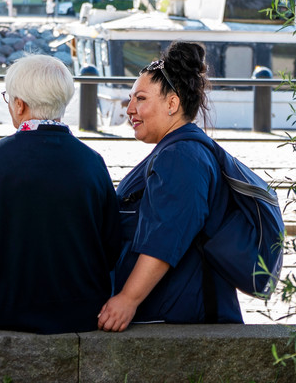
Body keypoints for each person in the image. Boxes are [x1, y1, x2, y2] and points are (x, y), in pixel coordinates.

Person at [0, 55, 119, 334]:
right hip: (83, 313)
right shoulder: (93, 161)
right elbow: (111, 244)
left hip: (8, 312)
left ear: (19, 104)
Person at [98, 41, 242, 331]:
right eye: (130, 99)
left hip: (178, 316)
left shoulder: (181, 156)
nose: (129, 109)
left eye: (140, 99)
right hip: (176, 311)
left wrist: (128, 299)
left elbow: (165, 236)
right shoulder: (178, 149)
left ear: (172, 104)